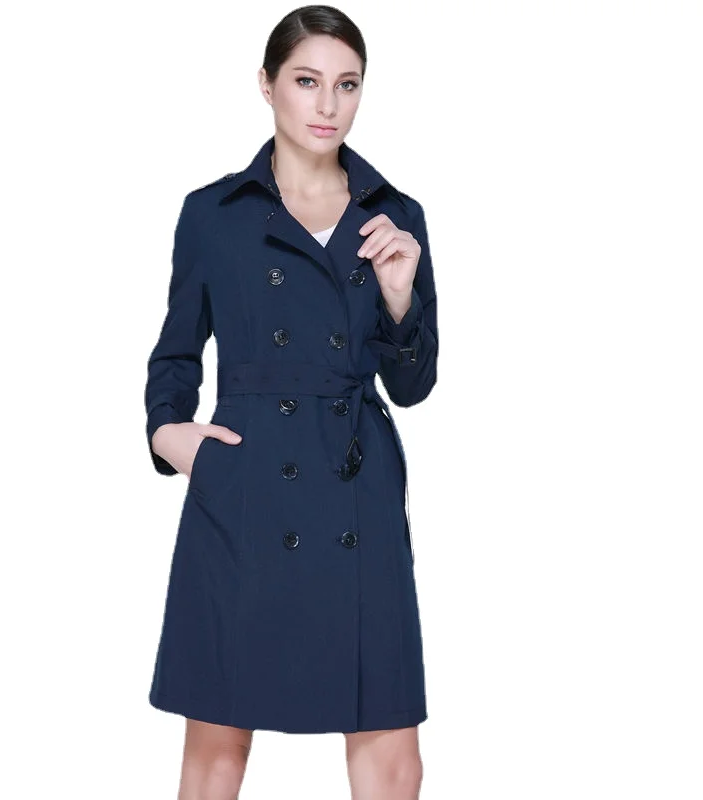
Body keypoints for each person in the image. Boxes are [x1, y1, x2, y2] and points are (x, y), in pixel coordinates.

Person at [144, 5, 439, 797]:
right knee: (215, 746)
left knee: (391, 746)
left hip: (356, 488)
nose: (327, 105)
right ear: (267, 84)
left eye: (347, 85)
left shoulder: (395, 215)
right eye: (307, 81)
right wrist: (172, 436)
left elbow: (413, 386)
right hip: (245, 489)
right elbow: (175, 355)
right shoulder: (213, 214)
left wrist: (400, 300)